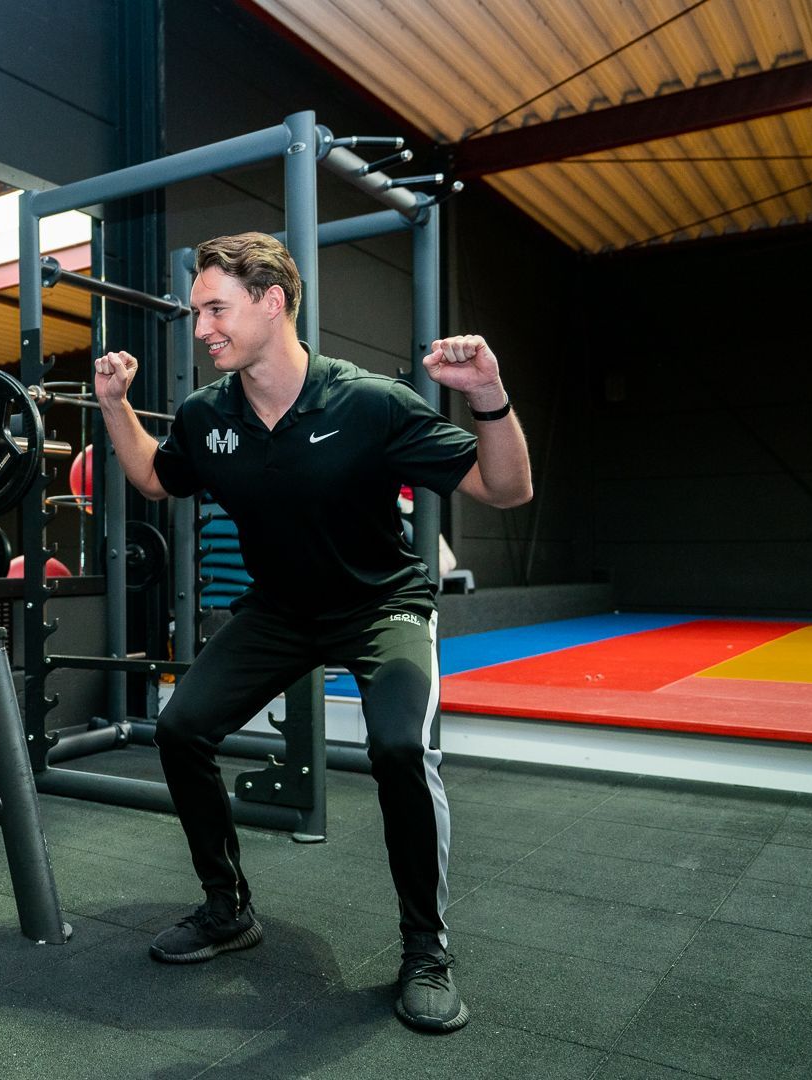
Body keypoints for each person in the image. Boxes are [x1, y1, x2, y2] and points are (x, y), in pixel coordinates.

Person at [91, 232, 532, 1035]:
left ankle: (426, 951)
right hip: (281, 610)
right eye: (197, 313)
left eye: (215, 309)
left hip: (381, 604)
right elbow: (157, 476)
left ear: (272, 301)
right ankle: (228, 910)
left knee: (399, 749)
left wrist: (489, 393)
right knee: (182, 727)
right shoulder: (206, 415)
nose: (201, 330)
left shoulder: (370, 402)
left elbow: (507, 488)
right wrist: (115, 407)